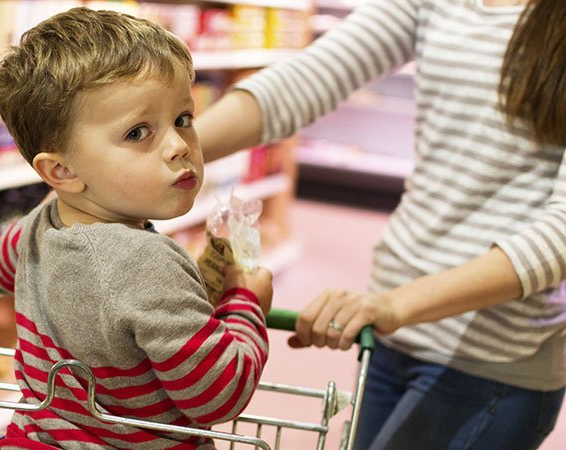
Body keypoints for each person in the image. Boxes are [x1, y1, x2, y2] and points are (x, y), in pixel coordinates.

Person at [195, 0, 566, 449]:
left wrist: (396, 304)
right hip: (392, 331)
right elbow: (310, 78)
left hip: (492, 356)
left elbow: (560, 235)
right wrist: (167, 153)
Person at [0, 7, 273, 449]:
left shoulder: (37, 227)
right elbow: (218, 396)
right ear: (60, 170)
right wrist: (247, 302)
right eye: (138, 133)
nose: (179, 146)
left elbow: (1, 267)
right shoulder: (149, 263)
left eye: (183, 119)